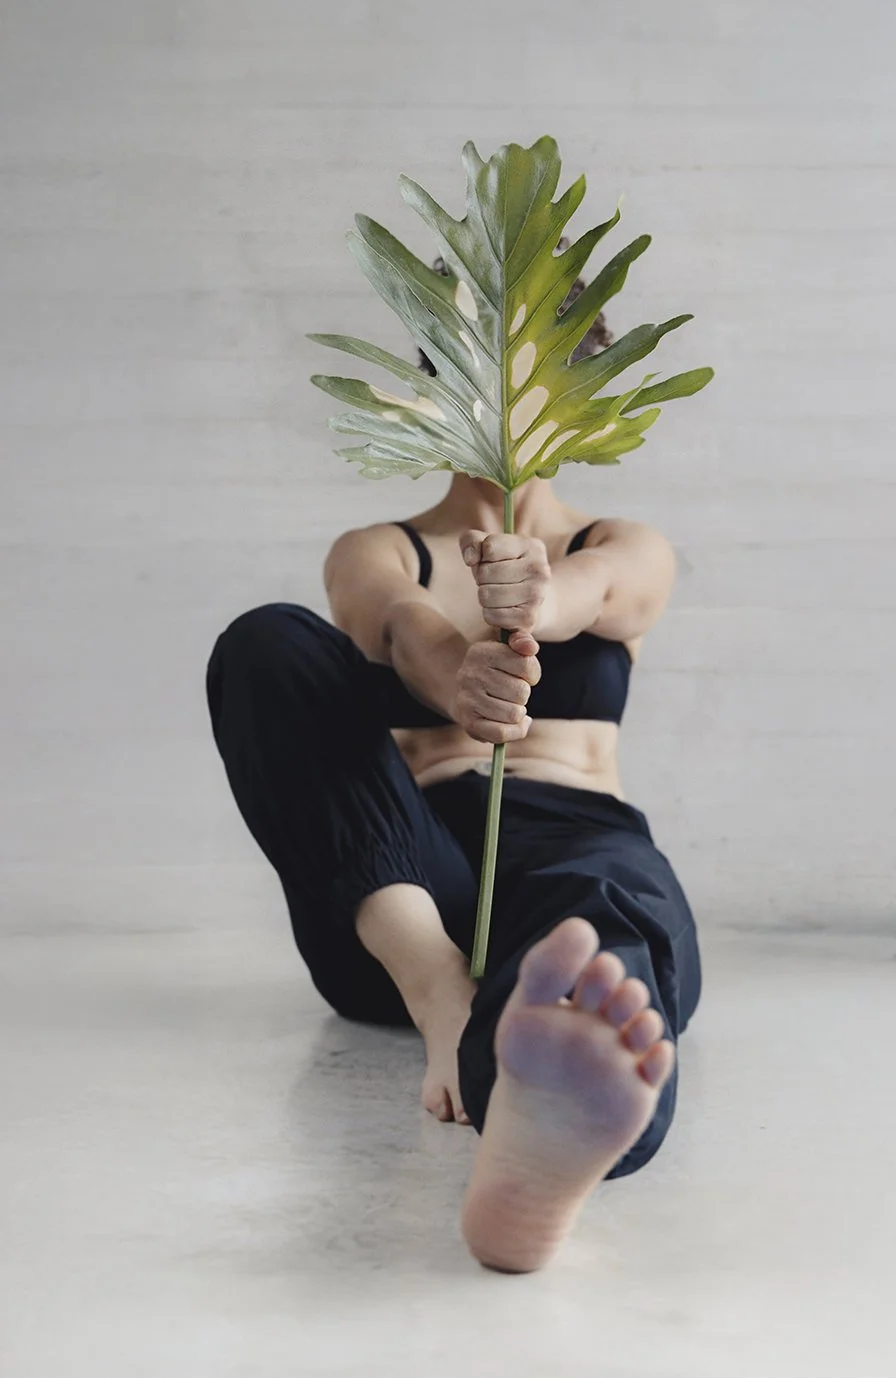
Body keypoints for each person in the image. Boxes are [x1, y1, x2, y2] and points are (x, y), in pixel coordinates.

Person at [206, 260, 702, 1273]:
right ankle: (447, 998)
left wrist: (540, 597)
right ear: (438, 379)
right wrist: (459, 676)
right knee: (268, 643)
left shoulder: (619, 542)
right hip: (401, 891)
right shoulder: (378, 547)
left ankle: (540, 1112)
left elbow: (608, 591)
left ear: (582, 386)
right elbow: (396, 624)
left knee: (595, 923)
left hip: (572, 842)